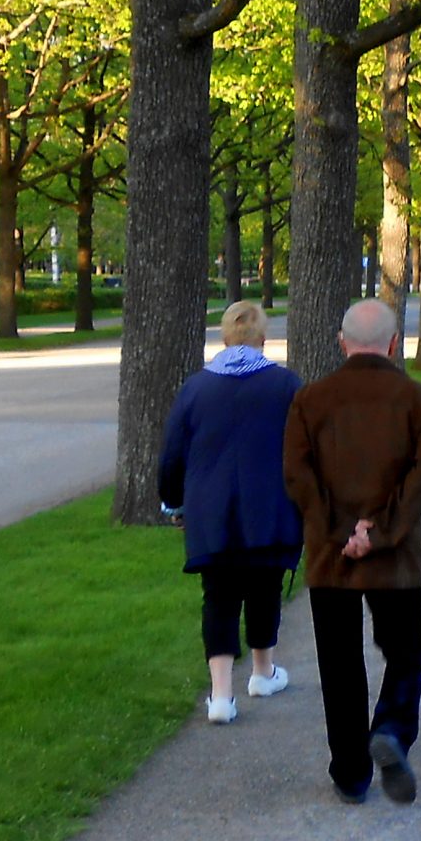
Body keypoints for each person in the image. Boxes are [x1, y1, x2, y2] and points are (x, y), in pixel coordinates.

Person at [283, 297, 421, 805]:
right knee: (406, 649)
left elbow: (298, 477)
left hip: (331, 560)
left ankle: (350, 771)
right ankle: (393, 728)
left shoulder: (310, 402)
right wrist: (380, 534)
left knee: (339, 661)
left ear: (342, 342)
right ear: (395, 345)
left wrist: (338, 532)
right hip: (396, 560)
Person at [159, 299, 304, 724]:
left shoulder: (196, 388)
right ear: (263, 338)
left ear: (224, 337)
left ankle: (221, 696)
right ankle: (262, 672)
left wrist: (174, 503)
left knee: (218, 598)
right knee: (264, 589)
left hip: (211, 513)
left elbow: (172, 455)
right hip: (270, 510)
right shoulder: (285, 385)